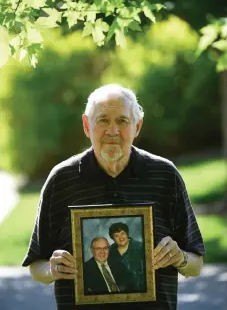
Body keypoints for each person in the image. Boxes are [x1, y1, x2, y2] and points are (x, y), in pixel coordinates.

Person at [22, 83, 205, 310]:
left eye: (122, 121)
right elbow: (36, 266)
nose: (112, 131)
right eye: (103, 120)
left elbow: (196, 265)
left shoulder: (166, 175)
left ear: (137, 126)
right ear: (87, 126)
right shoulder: (61, 179)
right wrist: (52, 269)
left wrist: (180, 258)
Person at [109, 222, 146, 291]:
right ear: (113, 239)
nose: (120, 237)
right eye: (116, 236)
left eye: (122, 233)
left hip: (141, 290)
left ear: (127, 234)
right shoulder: (109, 252)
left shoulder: (141, 247)